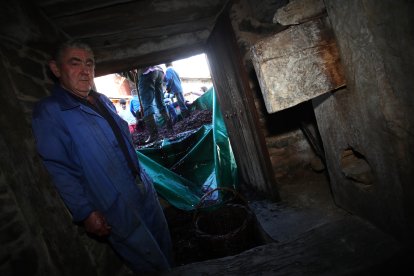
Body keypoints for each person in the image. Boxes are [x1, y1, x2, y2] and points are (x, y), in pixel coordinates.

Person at [31, 40, 172, 274]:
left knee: (163, 242)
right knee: (147, 259)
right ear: (56, 69)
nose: (85, 70)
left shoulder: (103, 101)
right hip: (113, 200)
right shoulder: (50, 112)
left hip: (141, 185)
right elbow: (59, 167)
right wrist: (85, 212)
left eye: (90, 64)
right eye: (75, 64)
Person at [138, 65, 173, 143]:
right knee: (160, 101)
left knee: (147, 104)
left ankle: (154, 135)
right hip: (159, 71)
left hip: (146, 70)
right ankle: (170, 127)